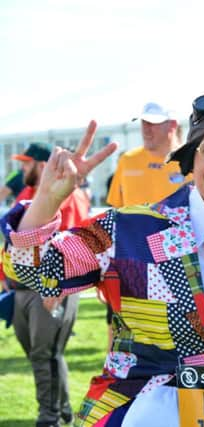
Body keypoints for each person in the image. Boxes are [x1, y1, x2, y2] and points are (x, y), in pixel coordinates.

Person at [1, 92, 204, 426]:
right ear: (192, 160)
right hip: (139, 411)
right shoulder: (129, 229)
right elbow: (33, 269)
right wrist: (47, 200)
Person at [3, 142, 90, 427]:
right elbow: (11, 244)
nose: (21, 169)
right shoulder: (28, 195)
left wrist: (56, 288)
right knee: (39, 355)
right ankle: (63, 410)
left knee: (46, 355)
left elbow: (73, 246)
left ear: (43, 166)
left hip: (49, 290)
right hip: (18, 290)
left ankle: (49, 418)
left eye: (27, 163)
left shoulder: (70, 197)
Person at [106, 101, 188, 207]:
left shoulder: (192, 161)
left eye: (152, 123)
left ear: (172, 125)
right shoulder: (127, 160)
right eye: (143, 122)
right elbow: (116, 210)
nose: (145, 129)